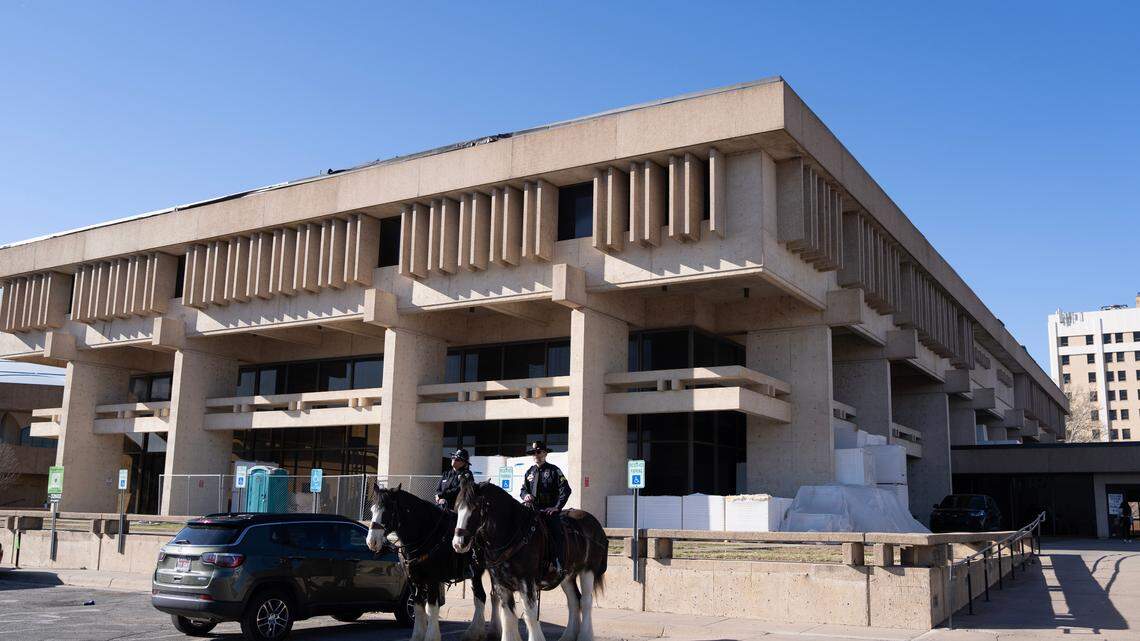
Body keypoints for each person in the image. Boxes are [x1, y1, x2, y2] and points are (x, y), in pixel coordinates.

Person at [520, 440, 571, 574]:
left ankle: (560, 564)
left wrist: (557, 507)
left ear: (545, 453)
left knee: (556, 533)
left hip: (548, 511)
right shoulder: (529, 472)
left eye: (539, 452)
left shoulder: (554, 470)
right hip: (532, 511)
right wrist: (525, 496)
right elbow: (523, 490)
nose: (536, 455)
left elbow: (565, 490)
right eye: (533, 453)